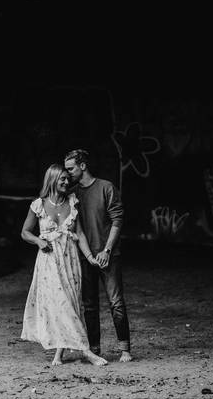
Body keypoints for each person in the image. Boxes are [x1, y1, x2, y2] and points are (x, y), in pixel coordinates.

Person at [20, 164, 108, 367]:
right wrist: (38, 241)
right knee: (61, 302)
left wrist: (89, 256)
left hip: (70, 258)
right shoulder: (38, 205)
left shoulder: (72, 202)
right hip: (49, 261)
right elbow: (25, 232)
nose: (67, 182)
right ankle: (86, 351)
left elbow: (81, 234)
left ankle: (59, 354)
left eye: (67, 179)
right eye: (62, 179)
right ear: (52, 180)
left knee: (70, 302)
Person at [64, 148, 132, 362]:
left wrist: (107, 250)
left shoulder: (106, 187)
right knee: (90, 305)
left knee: (116, 302)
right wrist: (90, 255)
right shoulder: (73, 194)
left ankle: (125, 350)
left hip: (109, 255)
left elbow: (117, 220)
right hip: (85, 257)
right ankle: (95, 349)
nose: (67, 174)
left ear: (83, 166)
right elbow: (77, 229)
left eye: (71, 168)